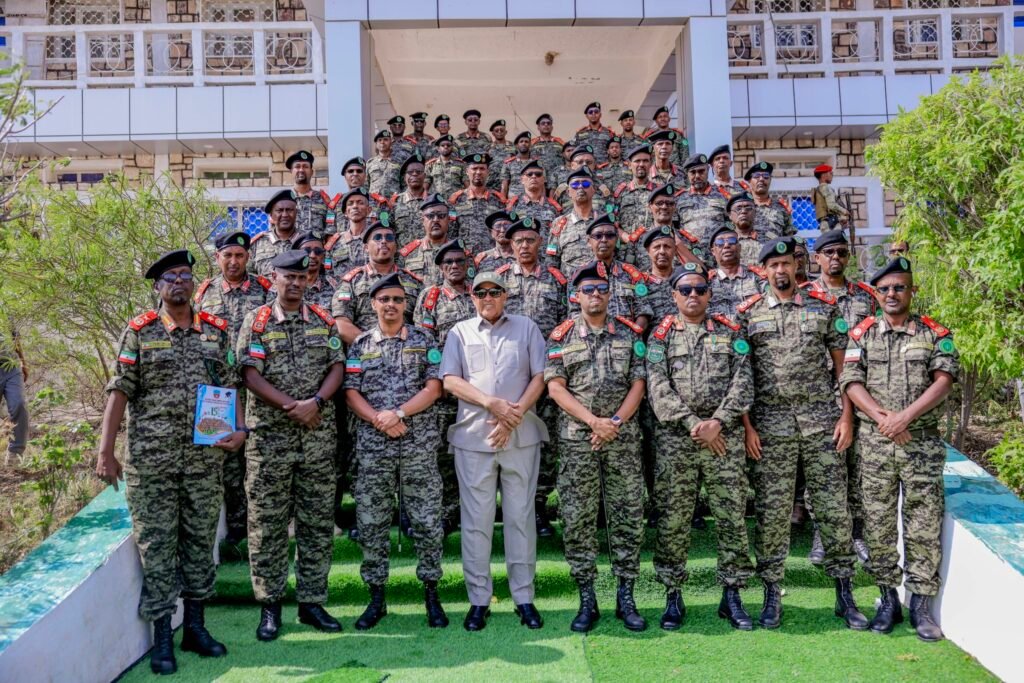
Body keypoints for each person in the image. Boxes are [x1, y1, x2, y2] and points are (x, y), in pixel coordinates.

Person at [96, 250, 242, 674]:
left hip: (203, 460)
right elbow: (119, 390)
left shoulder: (215, 331)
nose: (179, 282)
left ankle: (195, 628)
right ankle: (163, 637)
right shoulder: (139, 331)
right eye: (170, 277)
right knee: (157, 548)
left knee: (199, 543)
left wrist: (239, 429)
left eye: (185, 275)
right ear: (158, 288)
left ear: (194, 284)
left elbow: (230, 385)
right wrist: (105, 451)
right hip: (152, 463)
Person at [736, 237, 867, 631]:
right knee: (773, 514)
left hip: (822, 423)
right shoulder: (748, 315)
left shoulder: (823, 308)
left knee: (833, 509)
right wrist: (748, 427)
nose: (781, 270)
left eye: (786, 263)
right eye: (773, 265)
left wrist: (846, 418)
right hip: (770, 427)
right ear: (764, 270)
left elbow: (844, 370)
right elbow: (741, 376)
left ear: (796, 266)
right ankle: (771, 594)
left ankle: (845, 592)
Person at [840, 257, 958, 642]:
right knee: (878, 522)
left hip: (919, 442)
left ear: (912, 291)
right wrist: (883, 418)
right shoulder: (862, 334)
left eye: (899, 287)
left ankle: (920, 605)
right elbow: (851, 381)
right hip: (876, 444)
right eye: (885, 289)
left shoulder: (934, 334)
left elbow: (944, 380)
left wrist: (905, 418)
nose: (892, 294)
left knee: (923, 522)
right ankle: (888, 598)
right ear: (877, 294)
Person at [235, 250, 345, 641]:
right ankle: (270, 605)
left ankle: (312, 602)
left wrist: (316, 403)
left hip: (317, 439)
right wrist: (292, 408)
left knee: (316, 523)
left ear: (308, 281)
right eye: (289, 277)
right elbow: (249, 373)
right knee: (267, 524)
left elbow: (337, 366)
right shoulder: (257, 321)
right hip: (270, 442)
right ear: (274, 279)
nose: (296, 283)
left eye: (301, 277)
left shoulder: (323, 319)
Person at [645, 261, 756, 631]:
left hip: (724, 440)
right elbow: (657, 387)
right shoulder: (660, 336)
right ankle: (673, 593)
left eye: (700, 289)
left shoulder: (730, 331)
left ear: (709, 294)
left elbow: (744, 382)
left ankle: (732, 593)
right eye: (685, 290)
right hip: (678, 440)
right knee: (674, 519)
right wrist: (694, 424)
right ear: (674, 295)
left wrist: (717, 422)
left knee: (731, 516)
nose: (693, 295)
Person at [440, 271, 548, 632]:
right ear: (472, 297)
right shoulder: (460, 332)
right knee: (476, 522)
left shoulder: (526, 328)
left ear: (505, 295)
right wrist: (492, 404)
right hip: (474, 438)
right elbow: (450, 380)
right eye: (481, 293)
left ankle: (524, 598)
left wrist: (512, 416)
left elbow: (540, 376)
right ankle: (478, 600)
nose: (488, 297)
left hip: (520, 436)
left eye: (494, 292)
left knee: (520, 518)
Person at [545, 260, 648, 632]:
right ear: (576, 296)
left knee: (627, 516)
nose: (595, 295)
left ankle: (626, 596)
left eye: (602, 289)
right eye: (588, 290)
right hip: (579, 441)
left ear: (610, 294)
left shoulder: (629, 334)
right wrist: (594, 422)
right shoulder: (561, 336)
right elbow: (555, 388)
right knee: (578, 518)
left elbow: (639, 383)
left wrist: (614, 423)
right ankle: (587, 597)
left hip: (622, 439)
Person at [344, 271, 447, 630]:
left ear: (406, 305)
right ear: (373, 304)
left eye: (397, 300)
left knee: (427, 522)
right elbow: (351, 391)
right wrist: (380, 419)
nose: (391, 305)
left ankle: (431, 593)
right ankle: (376, 598)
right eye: (384, 299)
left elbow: (434, 388)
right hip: (374, 449)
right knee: (372, 523)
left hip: (417, 445)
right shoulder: (360, 345)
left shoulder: (424, 339)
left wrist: (398, 414)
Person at [194, 231, 273, 543]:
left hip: (259, 385)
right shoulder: (205, 293)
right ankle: (238, 529)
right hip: (222, 389)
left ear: (248, 257)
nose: (234, 261)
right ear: (218, 258)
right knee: (228, 458)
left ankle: (265, 523)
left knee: (261, 454)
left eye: (239, 255)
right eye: (227, 255)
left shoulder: (265, 289)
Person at [807, 229, 877, 562]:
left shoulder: (867, 297)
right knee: (823, 467)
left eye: (841, 253)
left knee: (859, 464)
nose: (836, 258)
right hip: (820, 393)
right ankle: (822, 533)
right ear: (816, 258)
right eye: (829, 253)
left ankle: (858, 533)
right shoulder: (804, 296)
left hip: (862, 390)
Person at [497, 215, 569, 538]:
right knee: (511, 439)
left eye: (530, 240)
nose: (524, 246)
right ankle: (513, 508)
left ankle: (538, 507)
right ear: (510, 245)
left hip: (548, 372)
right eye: (518, 241)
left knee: (546, 442)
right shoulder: (499, 280)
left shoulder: (557, 279)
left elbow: (567, 323)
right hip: (510, 373)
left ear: (540, 242)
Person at [413, 240, 477, 534]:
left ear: (467, 265)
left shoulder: (480, 293)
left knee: (476, 455)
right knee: (443, 456)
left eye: (459, 261)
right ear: (440, 267)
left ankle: (476, 513)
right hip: (444, 392)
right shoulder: (431, 297)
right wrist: (441, 380)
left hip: (478, 390)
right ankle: (448, 512)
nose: (454, 266)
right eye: (448, 262)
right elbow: (425, 344)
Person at [332, 217, 423, 344]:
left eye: (389, 238)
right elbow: (342, 323)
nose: (384, 241)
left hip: (407, 349)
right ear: (366, 248)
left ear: (395, 247)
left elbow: (422, 323)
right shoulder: (352, 281)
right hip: (366, 351)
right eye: (378, 237)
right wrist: (371, 346)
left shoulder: (413, 281)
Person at [567, 214, 653, 332]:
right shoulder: (578, 275)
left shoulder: (632, 274)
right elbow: (574, 313)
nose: (604, 240)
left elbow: (643, 312)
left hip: (626, 339)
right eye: (598, 236)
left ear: (616, 239)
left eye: (609, 235)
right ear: (589, 241)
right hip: (591, 338)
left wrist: (633, 337)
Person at [449, 153, 507, 255]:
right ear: (467, 171)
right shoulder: (456, 200)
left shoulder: (499, 201)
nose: (478, 172)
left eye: (482, 169)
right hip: (465, 257)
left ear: (488, 172)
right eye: (474, 168)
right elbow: (451, 232)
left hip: (491, 257)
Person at [548, 168, 599, 275]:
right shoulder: (559, 223)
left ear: (593, 190)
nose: (580, 187)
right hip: (569, 282)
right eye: (575, 185)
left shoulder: (603, 221)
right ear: (568, 192)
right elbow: (551, 259)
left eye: (585, 184)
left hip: (599, 282)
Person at [706, 225, 765, 318]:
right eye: (720, 242)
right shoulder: (706, 282)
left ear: (740, 247)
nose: (726, 245)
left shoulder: (757, 277)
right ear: (713, 251)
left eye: (732, 241)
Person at [398, 194, 458, 286]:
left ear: (449, 220)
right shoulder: (407, 255)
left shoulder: (459, 253)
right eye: (430, 216)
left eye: (441, 215)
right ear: (423, 221)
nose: (436, 220)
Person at [505, 161, 562, 244]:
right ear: (522, 180)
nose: (534, 176)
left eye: (538, 174)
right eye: (529, 174)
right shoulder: (513, 205)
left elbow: (559, 234)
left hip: (547, 251)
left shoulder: (554, 207)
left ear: (544, 179)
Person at [249, 190, 300, 276]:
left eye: (289, 210)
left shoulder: (306, 241)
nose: (285, 215)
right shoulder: (257, 243)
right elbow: (249, 275)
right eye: (279, 211)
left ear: (296, 213)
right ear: (271, 215)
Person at [0, 309, 28, 461]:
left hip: (10, 366)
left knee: (19, 404)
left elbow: (15, 336)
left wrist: (23, 362)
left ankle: (14, 454)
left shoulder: (4, 307)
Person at [324, 187, 373, 274]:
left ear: (368, 210)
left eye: (360, 203)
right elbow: (328, 274)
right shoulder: (334, 243)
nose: (355, 206)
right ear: (345, 212)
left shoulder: (376, 240)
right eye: (350, 203)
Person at [613, 144, 657, 234]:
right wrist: (625, 237)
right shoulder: (620, 192)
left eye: (645, 161)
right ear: (629, 165)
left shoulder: (658, 192)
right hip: (627, 241)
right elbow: (613, 221)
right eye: (637, 161)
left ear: (651, 164)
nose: (641, 164)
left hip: (653, 241)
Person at [389, 153, 431, 247]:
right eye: (410, 172)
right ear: (405, 177)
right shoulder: (395, 202)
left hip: (429, 253)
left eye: (418, 172)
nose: (414, 174)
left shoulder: (434, 201)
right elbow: (389, 231)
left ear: (424, 176)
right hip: (403, 254)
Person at [746, 162, 796, 239]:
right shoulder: (743, 207)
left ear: (770, 180)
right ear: (749, 181)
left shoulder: (782, 208)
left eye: (766, 176)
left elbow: (789, 237)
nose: (761, 179)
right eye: (756, 176)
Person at [285, 151, 329, 238]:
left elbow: (330, 226)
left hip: (317, 246)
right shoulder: (284, 199)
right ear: (291, 171)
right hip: (291, 246)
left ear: (311, 172)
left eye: (305, 166)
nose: (301, 170)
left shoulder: (323, 199)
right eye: (297, 166)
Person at [293, 232, 338, 309]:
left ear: (323, 257)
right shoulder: (285, 285)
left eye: (318, 251)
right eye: (306, 251)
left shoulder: (335, 287)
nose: (312, 255)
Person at [726, 192, 769, 267]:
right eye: (738, 209)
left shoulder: (769, 240)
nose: (743, 211)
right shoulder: (724, 243)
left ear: (755, 212)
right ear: (730, 215)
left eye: (748, 208)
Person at [425, 135, 467, 199]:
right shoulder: (431, 165)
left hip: (456, 200)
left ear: (452, 148)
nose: (446, 147)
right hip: (436, 200)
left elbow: (467, 185)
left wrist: (459, 194)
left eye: (448, 145)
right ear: (438, 149)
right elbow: (426, 182)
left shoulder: (461, 164)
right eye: (442, 145)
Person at [530, 113, 565, 189]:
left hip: (557, 179)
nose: (546, 125)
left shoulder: (560, 143)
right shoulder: (532, 144)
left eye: (548, 123)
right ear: (538, 127)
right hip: (539, 180)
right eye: (543, 123)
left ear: (552, 127)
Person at [813, 164, 850, 229]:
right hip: (831, 223)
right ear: (824, 175)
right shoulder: (826, 188)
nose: (832, 175)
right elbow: (832, 205)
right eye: (831, 173)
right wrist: (845, 211)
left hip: (825, 223)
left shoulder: (818, 189)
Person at [367, 131, 402, 199]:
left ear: (391, 142)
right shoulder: (370, 163)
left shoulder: (400, 162)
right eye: (379, 140)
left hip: (395, 201)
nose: (382, 142)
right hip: (374, 201)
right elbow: (366, 184)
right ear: (376, 144)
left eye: (385, 139)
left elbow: (404, 184)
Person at [501, 131, 534, 198]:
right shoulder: (509, 163)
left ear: (530, 144)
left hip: (531, 200)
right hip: (513, 200)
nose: (524, 143)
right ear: (517, 145)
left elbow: (541, 186)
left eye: (526, 142)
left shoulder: (536, 163)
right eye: (521, 142)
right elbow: (504, 185)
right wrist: (503, 200)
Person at [487, 119, 514, 191]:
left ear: (506, 132)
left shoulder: (513, 146)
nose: (499, 132)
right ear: (493, 133)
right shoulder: (487, 147)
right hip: (492, 182)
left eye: (501, 130)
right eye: (496, 131)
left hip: (509, 181)